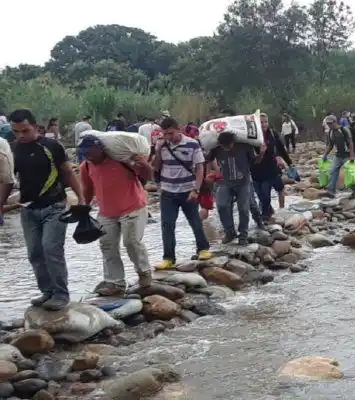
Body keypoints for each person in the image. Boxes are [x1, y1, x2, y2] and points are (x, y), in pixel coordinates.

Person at [0, 109, 85, 311]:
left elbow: (68, 172)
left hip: (54, 207)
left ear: (36, 127)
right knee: (35, 253)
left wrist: (81, 198)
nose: (21, 135)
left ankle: (61, 294)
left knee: (51, 250)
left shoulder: (51, 146)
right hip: (28, 209)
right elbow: (8, 181)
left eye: (25, 130)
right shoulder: (13, 150)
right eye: (16, 131)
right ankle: (47, 291)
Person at [78, 135, 153, 296]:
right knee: (107, 245)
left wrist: (144, 164)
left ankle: (144, 273)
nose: (88, 156)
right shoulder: (86, 166)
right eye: (85, 153)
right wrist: (85, 206)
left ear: (100, 149)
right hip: (106, 212)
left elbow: (148, 175)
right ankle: (115, 282)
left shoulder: (121, 159)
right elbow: (88, 188)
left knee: (131, 242)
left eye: (90, 152)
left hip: (133, 207)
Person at [151, 117, 213, 268]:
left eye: (171, 133)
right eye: (165, 134)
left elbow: (199, 168)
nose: (168, 137)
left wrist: (196, 189)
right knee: (167, 225)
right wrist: (158, 150)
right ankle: (169, 258)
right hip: (168, 191)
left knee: (194, 221)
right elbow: (156, 167)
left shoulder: (192, 144)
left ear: (178, 129)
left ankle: (203, 248)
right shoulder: (162, 145)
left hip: (188, 190)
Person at [207, 131, 266, 245]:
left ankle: (243, 235)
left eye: (228, 146)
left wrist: (262, 153)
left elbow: (255, 161)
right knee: (222, 205)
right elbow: (208, 159)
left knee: (244, 208)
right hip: (224, 181)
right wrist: (209, 173)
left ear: (233, 142)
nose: (226, 149)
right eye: (223, 146)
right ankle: (230, 232)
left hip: (243, 182)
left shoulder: (245, 147)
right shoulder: (217, 149)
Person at [252, 113, 292, 224]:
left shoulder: (273, 134)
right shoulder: (252, 137)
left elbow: (281, 149)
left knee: (266, 193)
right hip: (255, 171)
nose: (264, 124)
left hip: (270, 170)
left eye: (265, 122)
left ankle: (266, 216)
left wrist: (289, 163)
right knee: (260, 196)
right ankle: (269, 211)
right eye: (261, 122)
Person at [321, 116, 355, 198]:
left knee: (349, 174)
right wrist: (325, 154)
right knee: (332, 172)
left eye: (330, 123)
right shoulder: (330, 132)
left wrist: (352, 155)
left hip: (347, 155)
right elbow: (330, 145)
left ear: (335, 122)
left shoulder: (344, 130)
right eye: (328, 123)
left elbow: (350, 142)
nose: (329, 125)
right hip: (338, 156)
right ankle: (331, 192)